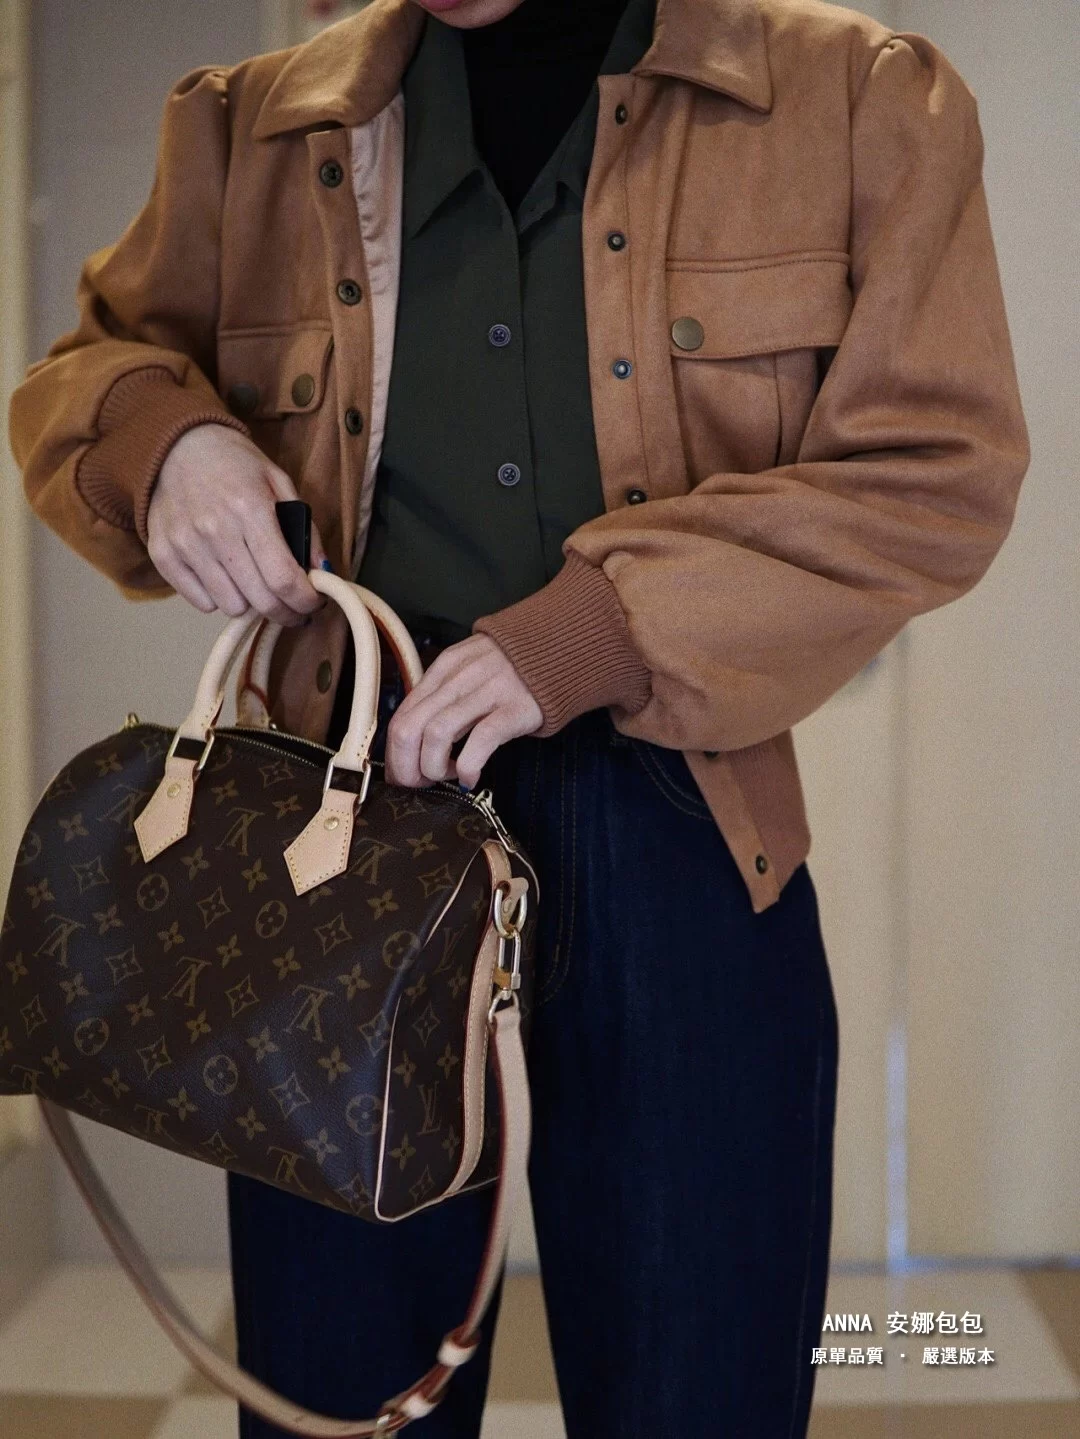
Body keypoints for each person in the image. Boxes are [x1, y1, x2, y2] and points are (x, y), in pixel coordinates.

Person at [7, 0, 1029, 1433]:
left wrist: (599, 628)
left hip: (682, 827)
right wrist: (163, 441)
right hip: (345, 833)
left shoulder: (852, 98)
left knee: (700, 1386)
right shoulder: (251, 124)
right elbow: (88, 369)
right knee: (343, 1390)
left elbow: (936, 467)